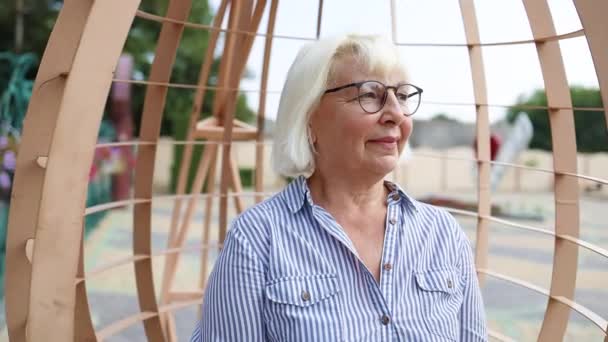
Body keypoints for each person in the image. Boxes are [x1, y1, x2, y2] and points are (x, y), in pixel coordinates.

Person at [190, 34, 487, 341]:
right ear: (308, 118)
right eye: (369, 95)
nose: (396, 113)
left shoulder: (443, 235)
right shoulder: (256, 240)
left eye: (402, 96)